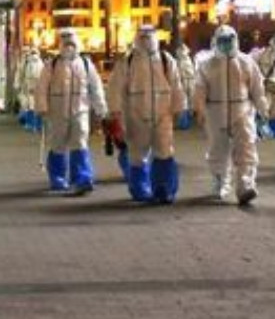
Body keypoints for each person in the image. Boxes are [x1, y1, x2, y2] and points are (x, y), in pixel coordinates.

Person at [108, 24, 186, 203]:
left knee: (164, 152)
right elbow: (115, 88)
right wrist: (115, 113)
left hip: (162, 115)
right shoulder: (128, 62)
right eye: (142, 37)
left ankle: (163, 189)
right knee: (137, 155)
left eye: (149, 36)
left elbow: (176, 85)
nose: (146, 41)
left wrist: (178, 108)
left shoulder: (166, 60)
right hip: (136, 117)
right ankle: (140, 188)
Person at [193, 24, 267, 206]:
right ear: (216, 41)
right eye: (222, 41)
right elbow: (199, 88)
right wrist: (199, 109)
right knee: (217, 149)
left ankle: (245, 184)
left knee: (246, 148)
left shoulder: (246, 62)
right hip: (215, 112)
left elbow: (257, 88)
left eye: (229, 40)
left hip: (242, 110)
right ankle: (220, 181)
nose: (226, 44)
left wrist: (263, 108)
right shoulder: (207, 64)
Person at [34, 28, 108, 194]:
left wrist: (100, 108)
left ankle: (82, 178)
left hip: (80, 111)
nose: (69, 46)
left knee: (80, 142)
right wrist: (42, 107)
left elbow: (95, 87)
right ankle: (58, 178)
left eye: (72, 42)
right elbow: (42, 87)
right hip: (57, 111)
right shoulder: (52, 65)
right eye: (65, 42)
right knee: (57, 144)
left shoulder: (86, 64)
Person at [17, 48, 45, 133]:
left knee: (29, 106)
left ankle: (30, 124)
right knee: (37, 107)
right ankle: (38, 125)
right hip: (38, 87)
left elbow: (21, 75)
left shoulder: (27, 62)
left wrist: (20, 85)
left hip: (29, 86)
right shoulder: (41, 63)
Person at [174, 42, 198, 131]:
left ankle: (185, 122)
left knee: (184, 103)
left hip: (185, 82)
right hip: (188, 82)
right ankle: (186, 122)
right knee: (186, 103)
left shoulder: (180, 61)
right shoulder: (187, 60)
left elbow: (179, 73)